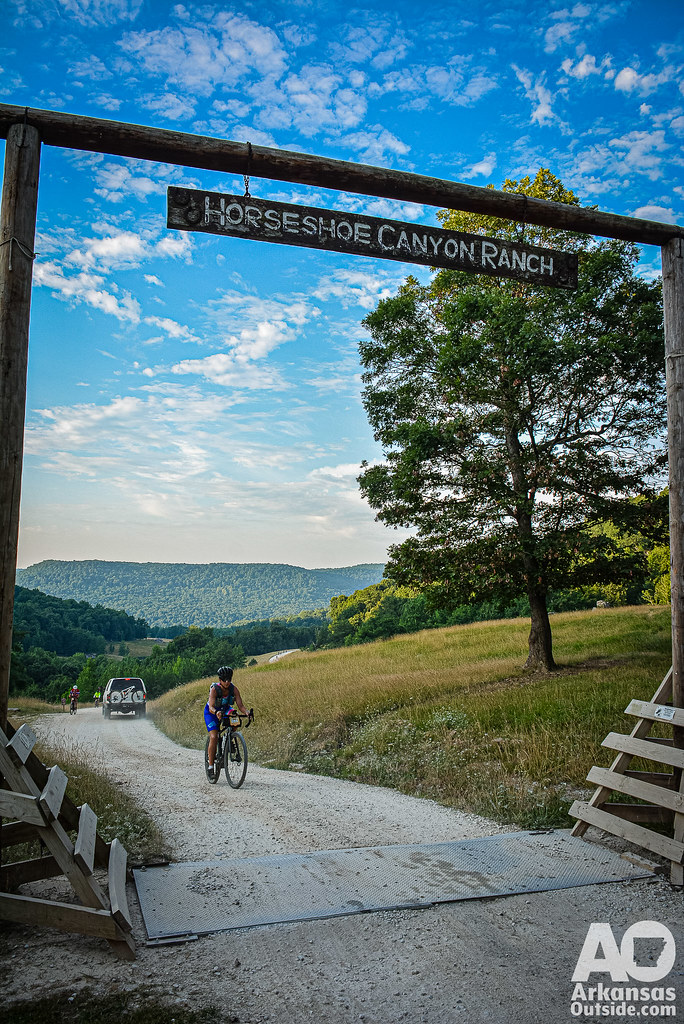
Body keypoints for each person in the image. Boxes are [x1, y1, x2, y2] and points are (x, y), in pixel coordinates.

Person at [204, 666, 248, 774]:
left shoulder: (234, 689)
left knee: (235, 719)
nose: (227, 682)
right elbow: (211, 707)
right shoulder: (215, 689)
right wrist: (216, 712)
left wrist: (247, 712)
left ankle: (229, 739)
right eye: (224, 679)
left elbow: (240, 705)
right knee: (214, 736)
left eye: (229, 679)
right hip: (212, 712)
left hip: (225, 709)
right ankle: (210, 766)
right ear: (220, 680)